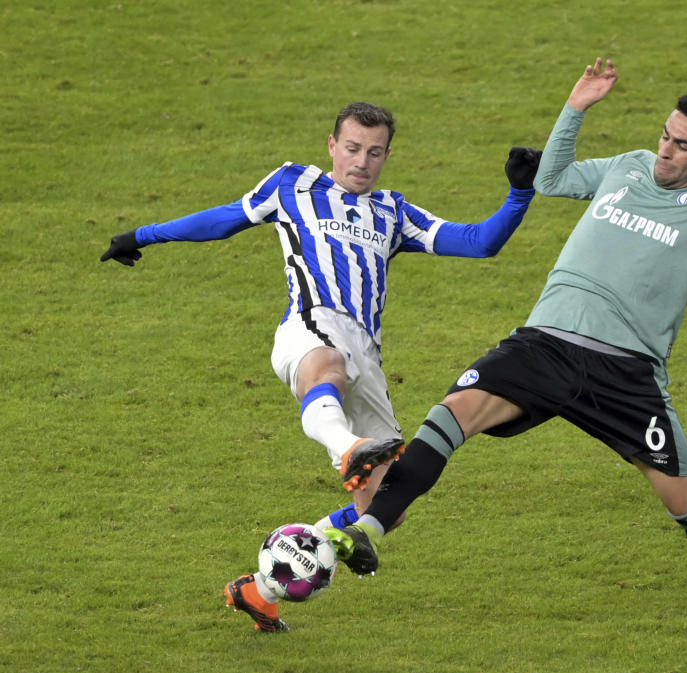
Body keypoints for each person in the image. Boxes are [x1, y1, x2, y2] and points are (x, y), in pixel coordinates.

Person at [346, 59, 687, 635]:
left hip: (625, 373)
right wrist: (576, 108)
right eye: (665, 136)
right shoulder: (626, 168)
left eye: (683, 146)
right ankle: (366, 534)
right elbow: (552, 179)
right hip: (544, 343)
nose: (666, 151)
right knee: (451, 416)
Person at [100, 101, 542, 632]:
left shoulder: (393, 212)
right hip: (309, 326)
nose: (362, 161)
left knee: (387, 505)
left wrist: (520, 192)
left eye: (374, 153)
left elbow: (480, 243)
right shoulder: (293, 184)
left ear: (387, 156)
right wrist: (143, 235)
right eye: (352, 148)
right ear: (332, 145)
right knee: (327, 366)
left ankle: (260, 589)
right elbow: (225, 220)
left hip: (369, 356)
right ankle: (346, 448)